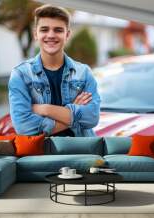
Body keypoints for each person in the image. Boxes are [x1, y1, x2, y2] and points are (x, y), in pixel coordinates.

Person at [8, 4, 100, 137]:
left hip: (82, 151)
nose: (51, 35)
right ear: (36, 34)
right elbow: (24, 127)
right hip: (41, 155)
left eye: (58, 30)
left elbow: (91, 118)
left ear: (67, 34)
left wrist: (45, 109)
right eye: (44, 29)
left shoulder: (84, 73)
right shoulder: (21, 75)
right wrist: (72, 114)